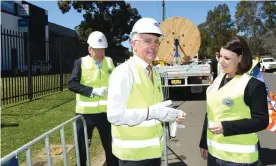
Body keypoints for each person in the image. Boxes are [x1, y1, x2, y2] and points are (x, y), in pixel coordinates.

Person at [107, 17, 187, 166]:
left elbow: (155, 107)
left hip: (154, 152)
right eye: (148, 41)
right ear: (133, 44)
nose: (154, 46)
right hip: (133, 156)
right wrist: (151, 113)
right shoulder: (123, 72)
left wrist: (171, 115)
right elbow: (114, 115)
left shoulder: (154, 72)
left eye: (156, 41)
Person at [199, 37, 269, 166]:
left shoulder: (252, 85)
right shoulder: (217, 80)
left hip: (240, 160)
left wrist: (226, 127)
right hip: (214, 155)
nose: (221, 62)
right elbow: (210, 113)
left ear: (240, 58)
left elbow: (262, 120)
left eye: (227, 58)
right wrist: (204, 143)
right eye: (220, 56)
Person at [68, 31, 118, 166]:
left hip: (105, 114)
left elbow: (118, 80)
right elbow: (72, 84)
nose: (101, 53)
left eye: (103, 50)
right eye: (98, 50)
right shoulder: (80, 63)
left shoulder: (110, 61)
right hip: (85, 115)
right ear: (90, 50)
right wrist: (92, 91)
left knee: (111, 147)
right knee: (82, 149)